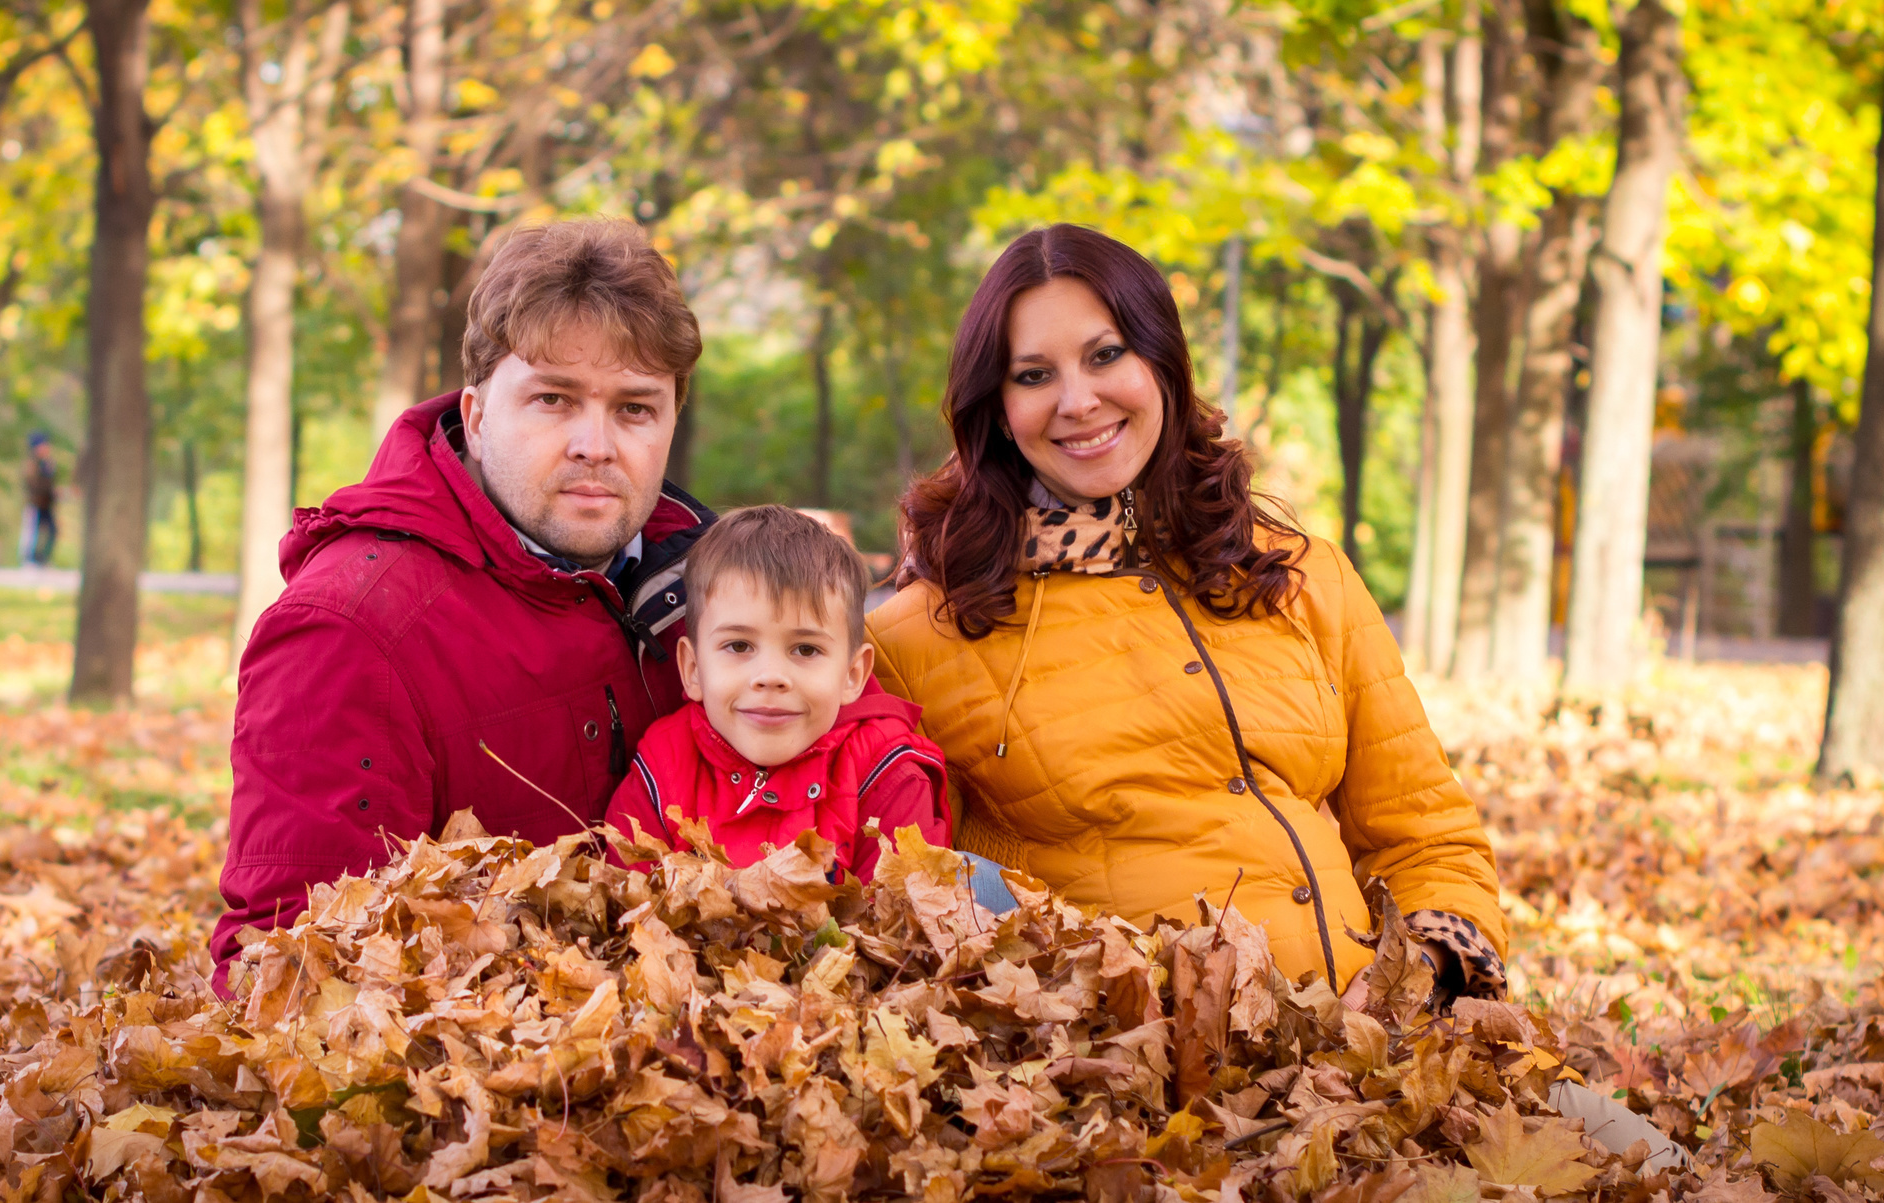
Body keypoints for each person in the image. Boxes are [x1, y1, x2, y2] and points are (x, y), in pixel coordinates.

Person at [868, 225, 1509, 1005]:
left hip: (1387, 1043)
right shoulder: (917, 637)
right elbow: (918, 904)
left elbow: (1429, 838)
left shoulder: (1302, 577)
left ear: (1161, 362)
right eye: (1034, 374)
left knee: (1639, 1136)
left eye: (1106, 355)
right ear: (1000, 411)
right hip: (1143, 1083)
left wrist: (1420, 980)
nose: (1078, 401)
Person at [212, 219, 713, 991]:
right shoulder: (349, 628)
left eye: (634, 409)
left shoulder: (715, 584)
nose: (595, 443)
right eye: (553, 398)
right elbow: (288, 975)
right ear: (476, 417)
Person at [603, 505, 948, 878]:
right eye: (738, 646)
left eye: (805, 649)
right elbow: (628, 908)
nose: (770, 677)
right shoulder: (662, 767)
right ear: (692, 669)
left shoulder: (886, 777)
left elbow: (901, 925)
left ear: (852, 675)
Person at [21, 433, 58, 566]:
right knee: (33, 531)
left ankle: (42, 559)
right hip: (35, 503)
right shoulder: (31, 464)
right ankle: (30, 560)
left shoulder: (47, 463)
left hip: (46, 503)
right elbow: (33, 484)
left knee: (52, 531)